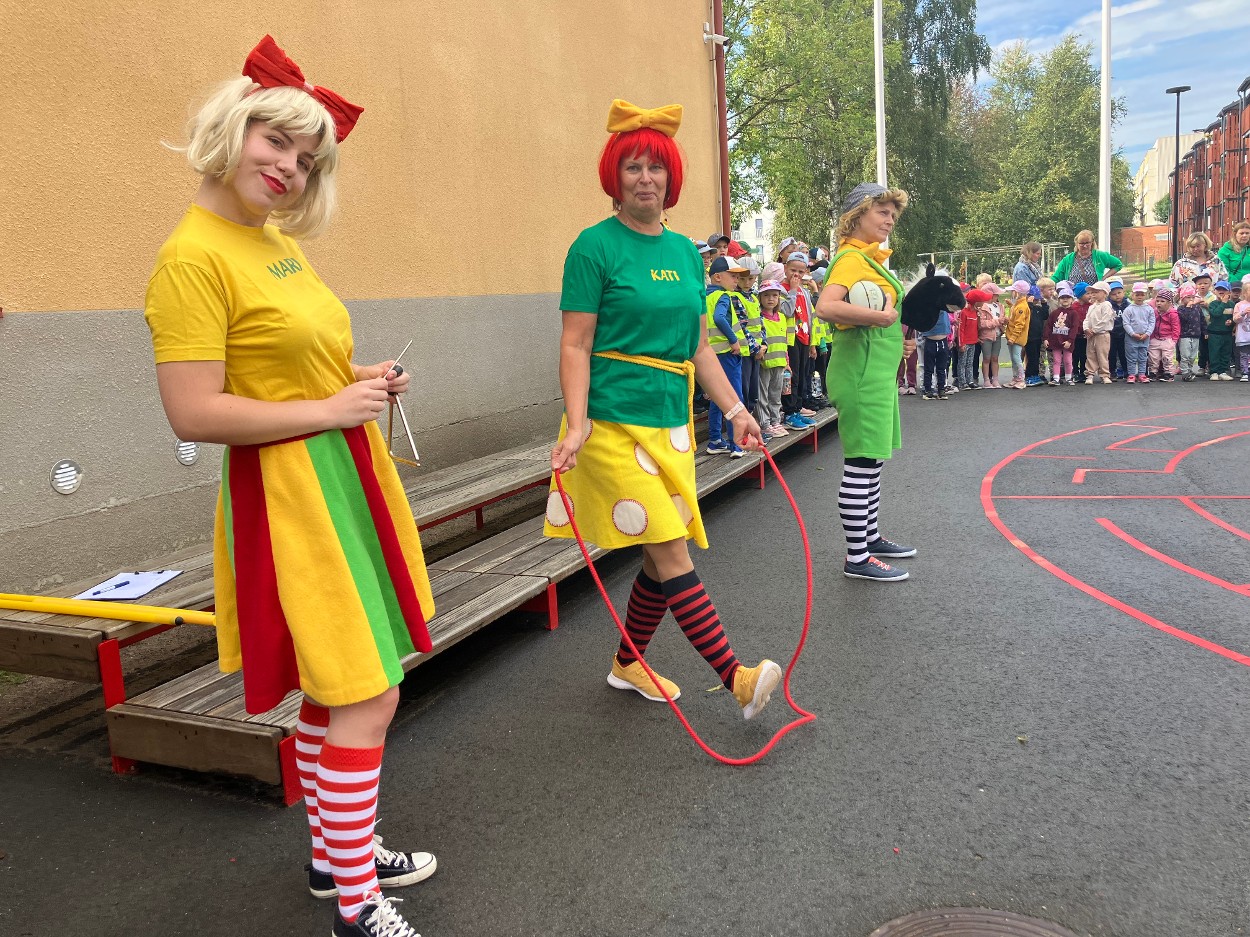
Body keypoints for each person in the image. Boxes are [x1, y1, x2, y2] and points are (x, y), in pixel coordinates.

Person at [143, 37, 437, 937]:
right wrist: (331, 407)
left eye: (307, 160)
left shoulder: (266, 240)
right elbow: (193, 411)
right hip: (290, 496)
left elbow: (290, 362)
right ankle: (356, 902)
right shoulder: (191, 257)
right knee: (367, 691)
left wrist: (359, 377)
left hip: (335, 474)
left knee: (335, 685)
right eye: (277, 142)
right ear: (232, 128)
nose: (289, 168)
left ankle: (335, 857)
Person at [546, 98, 783, 722]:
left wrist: (736, 409)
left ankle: (628, 664)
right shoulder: (592, 248)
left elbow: (699, 346)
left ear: (671, 176)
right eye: (633, 167)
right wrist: (577, 422)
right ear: (615, 175)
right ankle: (736, 678)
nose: (645, 178)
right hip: (609, 425)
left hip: (669, 424)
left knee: (658, 554)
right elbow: (575, 344)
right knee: (673, 550)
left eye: (655, 167)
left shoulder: (683, 253)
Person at [815, 182, 917, 582]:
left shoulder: (866, 259)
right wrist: (884, 319)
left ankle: (869, 539)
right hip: (860, 374)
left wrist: (895, 340)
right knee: (860, 465)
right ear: (857, 215)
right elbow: (826, 307)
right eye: (882, 212)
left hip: (874, 371)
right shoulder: (851, 259)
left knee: (871, 463)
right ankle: (857, 557)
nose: (890, 220)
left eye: (893, 214)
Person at [704, 255, 750, 456]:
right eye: (732, 276)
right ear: (717, 277)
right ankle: (736, 444)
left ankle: (715, 440)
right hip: (727, 354)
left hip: (710, 355)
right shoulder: (723, 296)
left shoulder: (704, 296)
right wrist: (733, 340)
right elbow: (719, 318)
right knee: (734, 398)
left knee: (717, 397)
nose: (736, 280)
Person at [780, 250, 818, 430]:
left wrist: (812, 343)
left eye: (801, 272)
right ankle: (789, 412)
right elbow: (787, 311)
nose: (796, 275)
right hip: (789, 340)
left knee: (803, 375)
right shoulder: (781, 289)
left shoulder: (804, 291)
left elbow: (810, 317)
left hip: (804, 338)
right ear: (785, 268)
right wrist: (793, 290)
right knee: (791, 377)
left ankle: (797, 408)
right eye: (793, 270)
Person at [755, 280, 790, 435]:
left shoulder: (782, 317)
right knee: (762, 395)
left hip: (780, 363)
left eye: (775, 295)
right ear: (760, 298)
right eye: (766, 295)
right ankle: (765, 423)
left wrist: (787, 362)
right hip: (765, 363)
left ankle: (775, 421)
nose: (771, 299)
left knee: (776, 394)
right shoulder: (759, 318)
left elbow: (784, 341)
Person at [1051, 230, 1123, 286]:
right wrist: (1047, 285)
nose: (1085, 246)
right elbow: (1056, 278)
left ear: (1092, 243)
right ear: (1077, 243)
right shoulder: (1068, 259)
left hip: (1094, 296)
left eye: (1087, 243)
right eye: (1082, 243)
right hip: (1074, 297)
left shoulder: (1100, 256)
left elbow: (1118, 265)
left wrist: (1103, 278)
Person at [1044, 286, 1080, 385]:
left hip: (1067, 341)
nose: (1065, 299)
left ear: (1072, 299)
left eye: (1067, 297)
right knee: (1056, 360)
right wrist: (1046, 338)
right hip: (1055, 340)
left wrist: (1070, 340)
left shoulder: (1074, 313)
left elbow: (1074, 328)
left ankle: (1069, 378)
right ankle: (1056, 378)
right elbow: (1048, 326)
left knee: (1068, 360)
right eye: (1062, 297)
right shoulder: (1054, 313)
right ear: (1059, 299)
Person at [919, 298, 953, 400]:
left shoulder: (944, 307)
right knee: (928, 368)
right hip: (930, 341)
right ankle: (928, 390)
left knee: (941, 368)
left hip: (942, 341)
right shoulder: (928, 308)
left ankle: (941, 389)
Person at [1081, 280, 1114, 385]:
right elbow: (1087, 319)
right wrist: (1086, 328)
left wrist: (1095, 330)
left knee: (1102, 355)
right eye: (1092, 292)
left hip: (1102, 334)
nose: (1093, 294)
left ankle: (1104, 375)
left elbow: (1105, 320)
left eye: (1096, 292)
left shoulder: (1106, 305)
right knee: (1090, 354)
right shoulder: (1092, 306)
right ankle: (1090, 374)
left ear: (1105, 293)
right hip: (1091, 335)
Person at [1123, 283, 1156, 384]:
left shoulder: (1149, 309)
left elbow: (1152, 322)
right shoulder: (1129, 309)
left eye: (1142, 294)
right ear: (1132, 295)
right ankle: (1131, 374)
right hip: (1131, 338)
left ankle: (1142, 374)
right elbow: (1126, 323)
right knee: (1131, 357)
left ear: (1146, 295)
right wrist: (1132, 333)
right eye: (1137, 294)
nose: (1139, 297)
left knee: (1143, 357)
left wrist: (1147, 333)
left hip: (1145, 337)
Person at [1174, 284, 1207, 381]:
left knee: (1193, 356)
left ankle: (1189, 369)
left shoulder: (1197, 308)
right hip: (1184, 335)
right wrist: (1188, 308)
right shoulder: (1181, 309)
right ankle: (1185, 372)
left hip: (1196, 335)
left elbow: (1202, 320)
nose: (1191, 299)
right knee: (1185, 355)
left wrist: (1205, 331)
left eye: (1193, 297)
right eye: (1188, 297)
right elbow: (1184, 318)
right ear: (1182, 298)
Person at [1003, 280, 1032, 389]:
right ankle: (1015, 378)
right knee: (1013, 358)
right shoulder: (1018, 305)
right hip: (1012, 336)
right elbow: (1014, 317)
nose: (1011, 293)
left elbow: (1020, 324)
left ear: (1018, 293)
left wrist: (1013, 338)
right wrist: (1011, 305)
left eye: (1013, 291)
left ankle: (1021, 379)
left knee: (1016, 358)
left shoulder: (1021, 307)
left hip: (1016, 338)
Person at [956, 288, 986, 390]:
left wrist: (977, 338)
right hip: (965, 343)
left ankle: (970, 381)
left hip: (973, 342)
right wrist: (961, 343)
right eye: (982, 301)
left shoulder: (976, 313)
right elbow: (961, 329)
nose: (983, 302)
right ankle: (962, 382)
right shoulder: (964, 312)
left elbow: (977, 327)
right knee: (962, 363)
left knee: (970, 362)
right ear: (976, 302)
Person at [1205, 279, 1236, 380]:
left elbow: (1234, 317)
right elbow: (1216, 314)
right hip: (1214, 333)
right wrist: (1223, 303)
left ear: (1229, 292)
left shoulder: (1232, 304)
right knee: (1214, 353)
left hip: (1227, 333)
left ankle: (1222, 371)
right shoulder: (1213, 304)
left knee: (1225, 353)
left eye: (1224, 289)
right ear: (1214, 291)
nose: (1221, 291)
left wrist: (1231, 321)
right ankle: (1214, 371)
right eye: (1218, 289)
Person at [1149, 287, 1180, 382]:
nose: (1159, 303)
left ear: (1169, 303)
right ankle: (1153, 372)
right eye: (1157, 301)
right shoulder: (1154, 312)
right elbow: (1151, 324)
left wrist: (1174, 340)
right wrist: (1151, 337)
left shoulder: (1172, 313)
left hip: (1167, 338)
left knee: (1167, 357)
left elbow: (1176, 327)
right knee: (1153, 357)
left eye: (1162, 301)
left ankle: (1168, 373)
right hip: (1155, 338)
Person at [978, 286, 1005, 388]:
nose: (998, 296)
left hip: (997, 335)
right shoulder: (982, 307)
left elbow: (1002, 318)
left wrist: (1004, 322)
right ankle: (986, 380)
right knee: (986, 358)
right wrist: (997, 322)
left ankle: (995, 379)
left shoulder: (999, 306)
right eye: (996, 294)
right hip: (986, 336)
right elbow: (982, 323)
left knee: (995, 358)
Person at [1024, 284, 1048, 386]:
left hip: (1038, 337)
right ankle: (1029, 376)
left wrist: (1044, 303)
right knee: (1031, 358)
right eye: (1034, 299)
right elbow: (1027, 315)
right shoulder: (1026, 308)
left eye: (1036, 299)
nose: (1035, 301)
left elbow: (1045, 315)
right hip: (1030, 338)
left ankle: (1035, 374)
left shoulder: (1038, 308)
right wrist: (1029, 303)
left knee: (1037, 357)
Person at [1107, 278, 1128, 380]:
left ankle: (1126, 371)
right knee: (1111, 354)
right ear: (1109, 295)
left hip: (1124, 333)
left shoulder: (1128, 305)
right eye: (1113, 294)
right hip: (1112, 333)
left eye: (1119, 293)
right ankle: (1112, 371)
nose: (1117, 295)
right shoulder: (1108, 305)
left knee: (1124, 353)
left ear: (1123, 292)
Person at [1218, 222, 1250, 286]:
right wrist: (1238, 284)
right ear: (1235, 234)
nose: (1244, 235)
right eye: (1241, 233)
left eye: (1247, 233)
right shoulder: (1225, 251)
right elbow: (1223, 271)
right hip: (1235, 286)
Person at [1233, 283, 1250, 380]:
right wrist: (1243, 313)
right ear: (1244, 293)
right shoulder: (1239, 305)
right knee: (1244, 355)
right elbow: (1235, 319)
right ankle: (1244, 372)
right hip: (1243, 335)